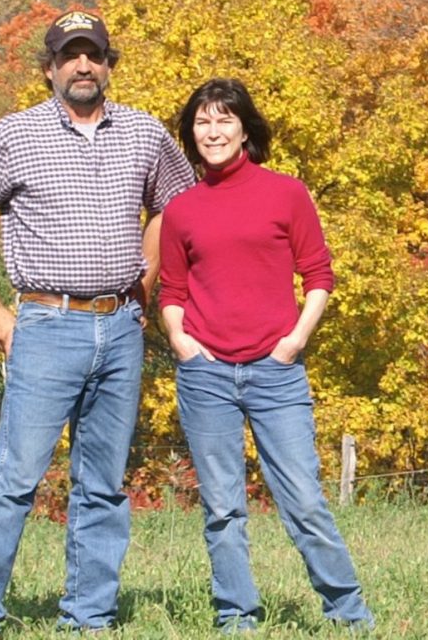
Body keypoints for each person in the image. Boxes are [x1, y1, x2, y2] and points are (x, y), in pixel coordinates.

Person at [0, 10, 194, 636]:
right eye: (69, 55)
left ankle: (90, 616)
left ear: (109, 64)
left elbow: (175, 203)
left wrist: (145, 280)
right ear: (49, 68)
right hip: (45, 324)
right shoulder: (14, 135)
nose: (82, 66)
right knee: (14, 477)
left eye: (93, 55)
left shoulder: (143, 131)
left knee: (104, 483)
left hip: (120, 328)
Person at [159, 78, 375, 634]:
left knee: (303, 498)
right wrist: (181, 343)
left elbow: (319, 275)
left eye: (224, 120)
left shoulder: (286, 193)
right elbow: (172, 291)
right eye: (202, 122)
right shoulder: (181, 210)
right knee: (223, 508)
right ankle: (236, 613)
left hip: (274, 373)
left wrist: (293, 343)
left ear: (245, 128)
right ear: (191, 134)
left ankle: (348, 611)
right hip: (205, 375)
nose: (213, 131)